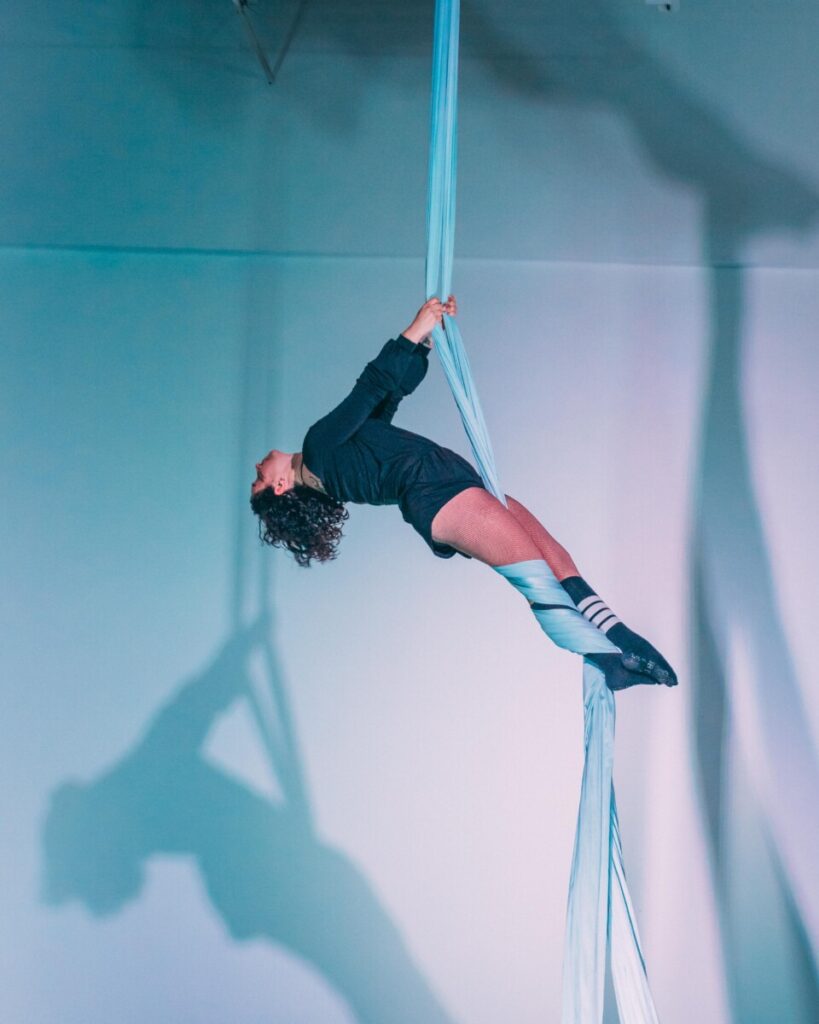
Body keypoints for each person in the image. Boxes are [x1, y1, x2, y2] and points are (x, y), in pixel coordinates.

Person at [250, 297, 677, 691]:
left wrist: (424, 344)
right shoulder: (318, 448)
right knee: (538, 578)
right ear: (281, 487)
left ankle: (621, 639)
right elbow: (370, 387)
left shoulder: (332, 461)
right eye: (259, 480)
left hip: (450, 481)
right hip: (435, 494)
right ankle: (607, 660)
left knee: (552, 557)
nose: (256, 469)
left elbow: (388, 398)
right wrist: (413, 329)